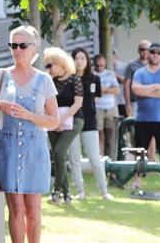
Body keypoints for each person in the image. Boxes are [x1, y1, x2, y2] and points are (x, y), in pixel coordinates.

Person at [0, 26, 59, 243]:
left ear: (34, 49)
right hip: (7, 147)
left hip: (35, 149)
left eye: (22, 45)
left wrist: (29, 115)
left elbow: (54, 121)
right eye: (13, 45)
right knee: (15, 208)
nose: (17, 50)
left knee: (33, 209)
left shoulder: (44, 80)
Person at [68, 48, 114, 200]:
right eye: (76, 58)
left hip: (89, 121)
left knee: (95, 157)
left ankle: (104, 190)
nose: (79, 61)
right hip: (72, 121)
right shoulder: (68, 78)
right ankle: (80, 191)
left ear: (87, 61)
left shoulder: (94, 78)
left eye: (83, 58)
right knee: (74, 157)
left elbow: (96, 97)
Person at [131, 42, 160, 193]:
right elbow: (136, 90)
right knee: (140, 152)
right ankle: (137, 180)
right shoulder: (140, 72)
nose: (155, 55)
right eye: (153, 52)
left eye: (158, 52)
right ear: (148, 54)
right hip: (143, 119)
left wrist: (146, 91)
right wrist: (157, 86)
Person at [43, 47, 84, 205]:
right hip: (54, 121)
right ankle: (66, 195)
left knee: (60, 151)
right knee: (58, 155)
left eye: (50, 65)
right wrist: (54, 121)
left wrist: (60, 120)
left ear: (60, 64)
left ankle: (56, 190)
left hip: (73, 120)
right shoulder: (49, 81)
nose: (48, 68)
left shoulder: (75, 79)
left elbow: (78, 103)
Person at [93, 53, 120, 160]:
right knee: (99, 134)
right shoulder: (92, 75)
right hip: (97, 107)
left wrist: (103, 90)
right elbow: (92, 93)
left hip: (110, 108)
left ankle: (111, 160)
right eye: (97, 66)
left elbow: (116, 90)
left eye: (102, 66)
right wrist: (104, 90)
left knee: (110, 134)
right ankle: (99, 158)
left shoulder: (110, 74)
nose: (100, 68)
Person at [113, 49, 128, 117]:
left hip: (122, 100)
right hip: (111, 102)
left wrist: (116, 75)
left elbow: (127, 81)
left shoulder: (123, 67)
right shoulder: (101, 67)